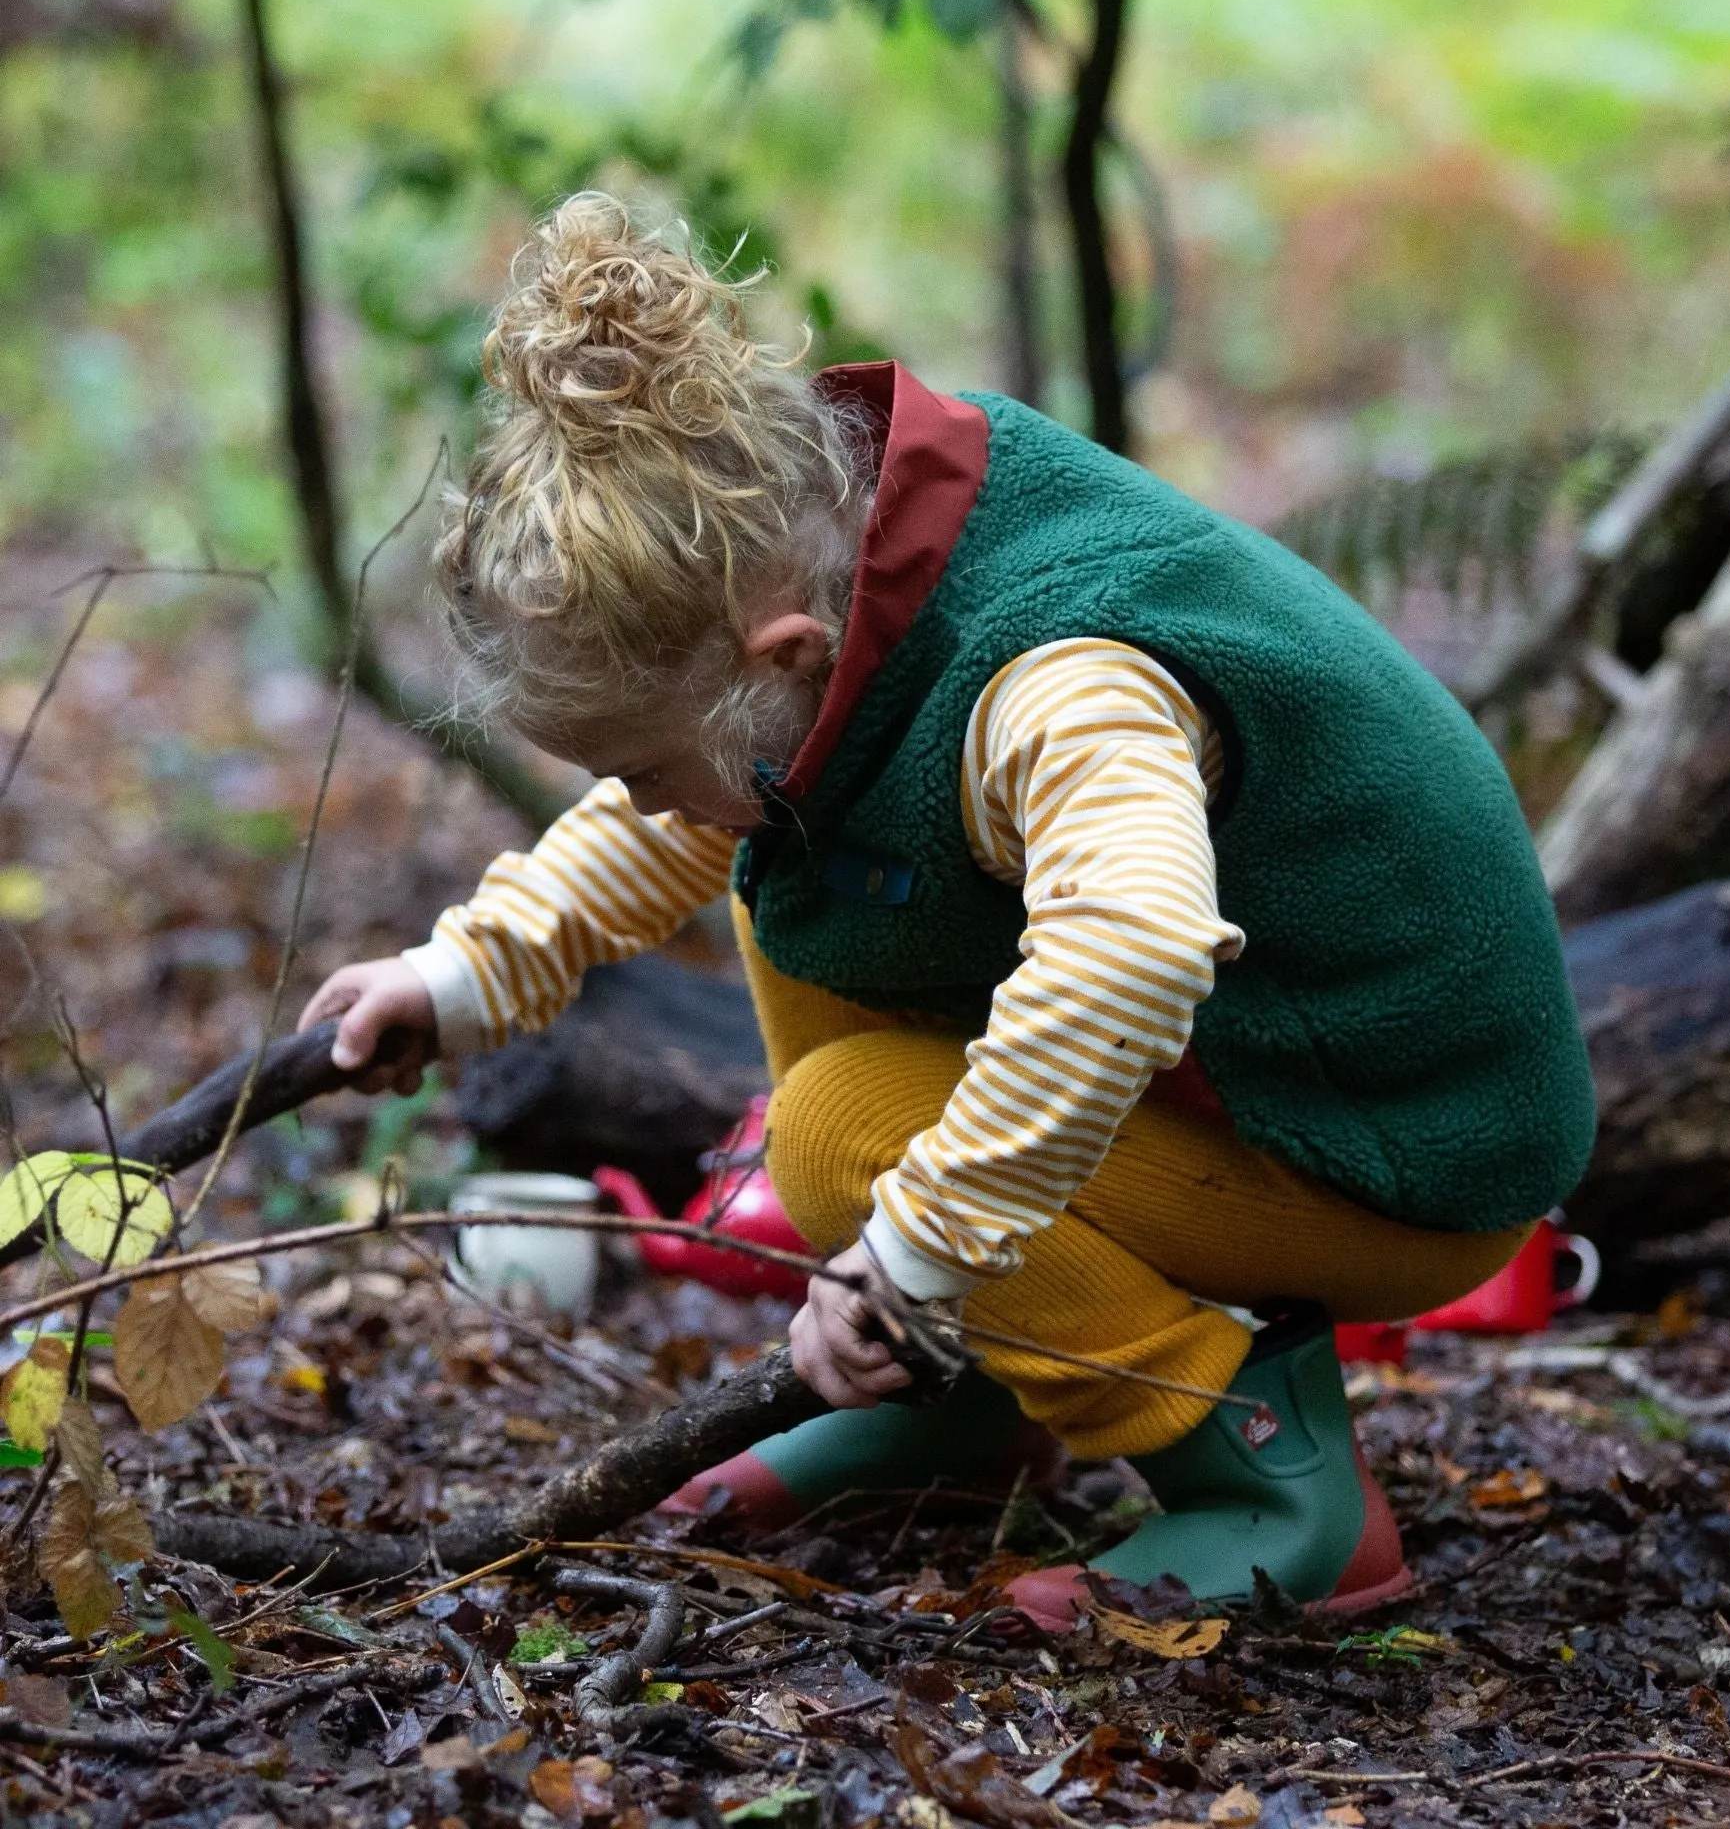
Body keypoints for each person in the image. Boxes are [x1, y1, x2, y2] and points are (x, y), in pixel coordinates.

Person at [302, 191, 1596, 1628]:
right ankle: (963, 1406)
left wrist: (914, 1250)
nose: (651, 803)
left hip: (1391, 1134)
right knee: (784, 855)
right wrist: (472, 969)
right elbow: (713, 796)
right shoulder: (858, 557)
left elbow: (1137, 952)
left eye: (647, 766)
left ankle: (1264, 1478)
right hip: (1267, 1065)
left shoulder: (1051, 681)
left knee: (843, 1127)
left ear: (779, 652)